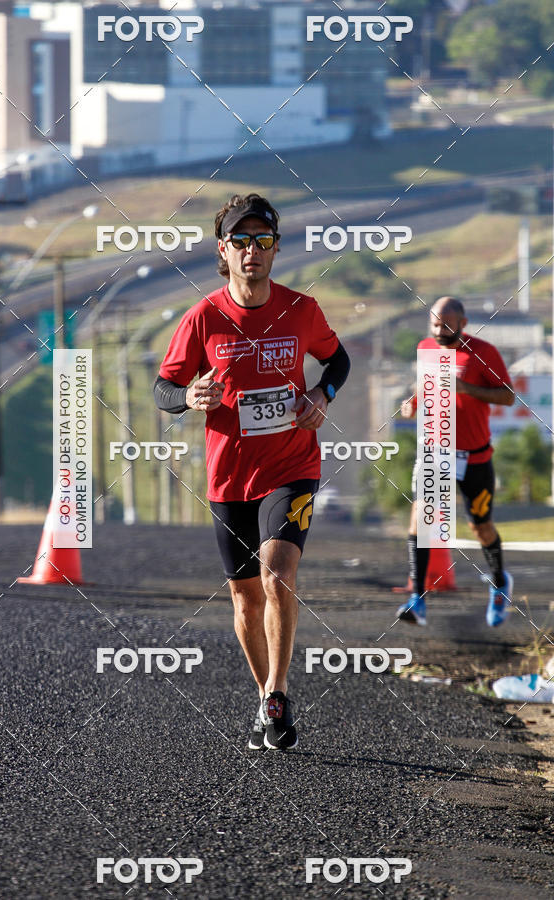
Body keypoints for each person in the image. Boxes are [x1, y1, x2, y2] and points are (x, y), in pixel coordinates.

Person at [154, 193, 350, 750]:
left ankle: (280, 689)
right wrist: (189, 395)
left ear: (275, 250)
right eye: (241, 242)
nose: (252, 252)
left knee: (278, 571)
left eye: (263, 242)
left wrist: (323, 393)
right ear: (224, 250)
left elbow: (338, 360)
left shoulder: (301, 310)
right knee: (245, 598)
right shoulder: (203, 317)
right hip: (228, 476)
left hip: (291, 465)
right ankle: (265, 694)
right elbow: (163, 389)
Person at [398, 296, 515, 628]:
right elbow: (423, 386)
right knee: (421, 523)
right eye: (434, 324)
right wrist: (412, 402)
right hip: (436, 452)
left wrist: (465, 388)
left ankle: (499, 582)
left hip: (475, 457)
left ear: (463, 324)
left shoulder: (484, 352)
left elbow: (507, 396)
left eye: (447, 326)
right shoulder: (425, 347)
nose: (439, 331)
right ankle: (417, 599)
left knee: (481, 528)